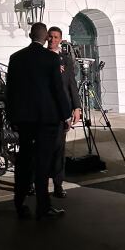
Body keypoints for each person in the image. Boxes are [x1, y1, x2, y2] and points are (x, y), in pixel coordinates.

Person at [6, 21, 71, 221]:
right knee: (43, 163)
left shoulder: (16, 58)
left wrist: (11, 117)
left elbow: (10, 91)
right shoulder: (50, 58)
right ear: (44, 38)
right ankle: (43, 208)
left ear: (30, 35)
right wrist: (65, 113)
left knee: (24, 160)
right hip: (46, 119)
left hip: (24, 119)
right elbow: (58, 90)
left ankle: (19, 203)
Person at [47, 26, 82, 199]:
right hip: (45, 111)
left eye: (56, 37)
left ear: (60, 39)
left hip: (62, 111)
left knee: (59, 149)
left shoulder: (66, 59)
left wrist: (77, 107)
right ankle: (36, 183)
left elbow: (71, 84)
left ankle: (58, 185)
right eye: (50, 37)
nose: (52, 40)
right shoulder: (41, 56)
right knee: (43, 149)